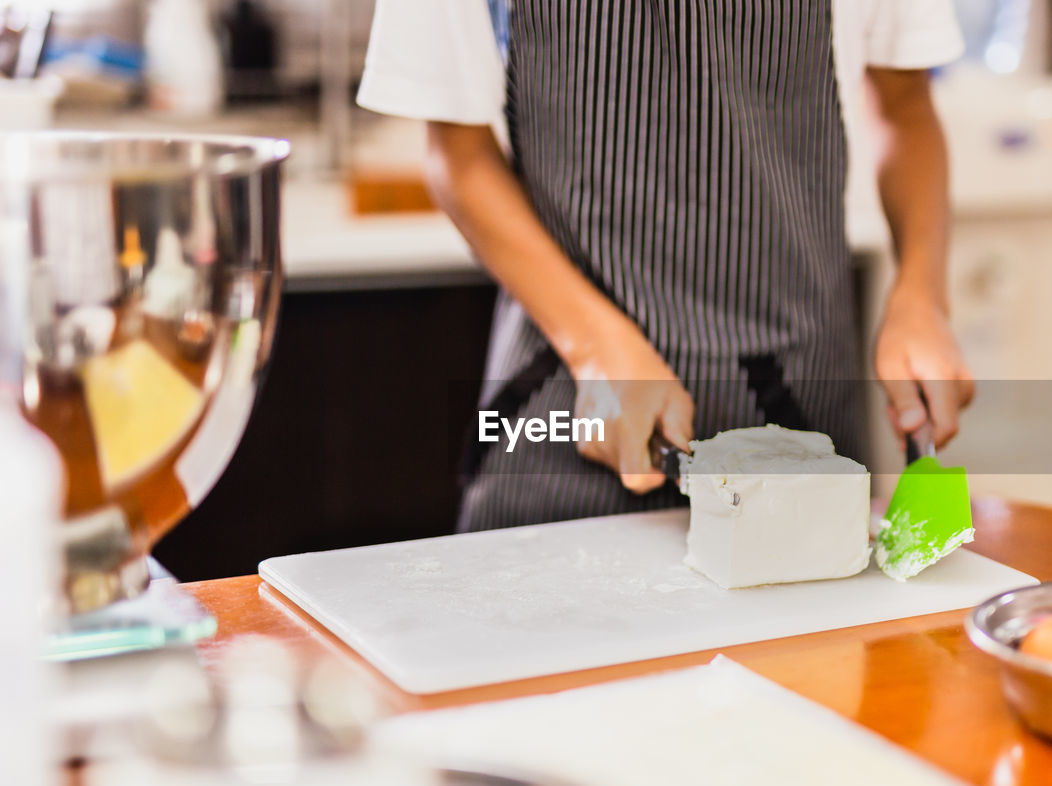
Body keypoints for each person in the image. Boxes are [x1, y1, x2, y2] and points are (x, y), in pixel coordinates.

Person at [358, 0, 975, 531]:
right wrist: (593, 344)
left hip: (798, 403)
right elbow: (457, 153)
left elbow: (904, 106)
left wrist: (921, 295)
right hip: (566, 404)